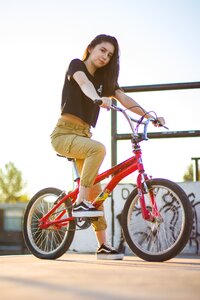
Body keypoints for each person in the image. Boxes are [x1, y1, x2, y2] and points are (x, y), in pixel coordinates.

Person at [50, 34, 165, 260]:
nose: (105, 56)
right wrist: (97, 98)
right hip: (63, 134)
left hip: (83, 136)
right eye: (102, 50)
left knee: (96, 193)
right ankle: (80, 203)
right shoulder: (77, 65)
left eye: (110, 54)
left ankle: (103, 246)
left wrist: (149, 116)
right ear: (91, 48)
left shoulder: (105, 80)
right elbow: (84, 83)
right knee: (99, 149)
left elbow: (124, 99)